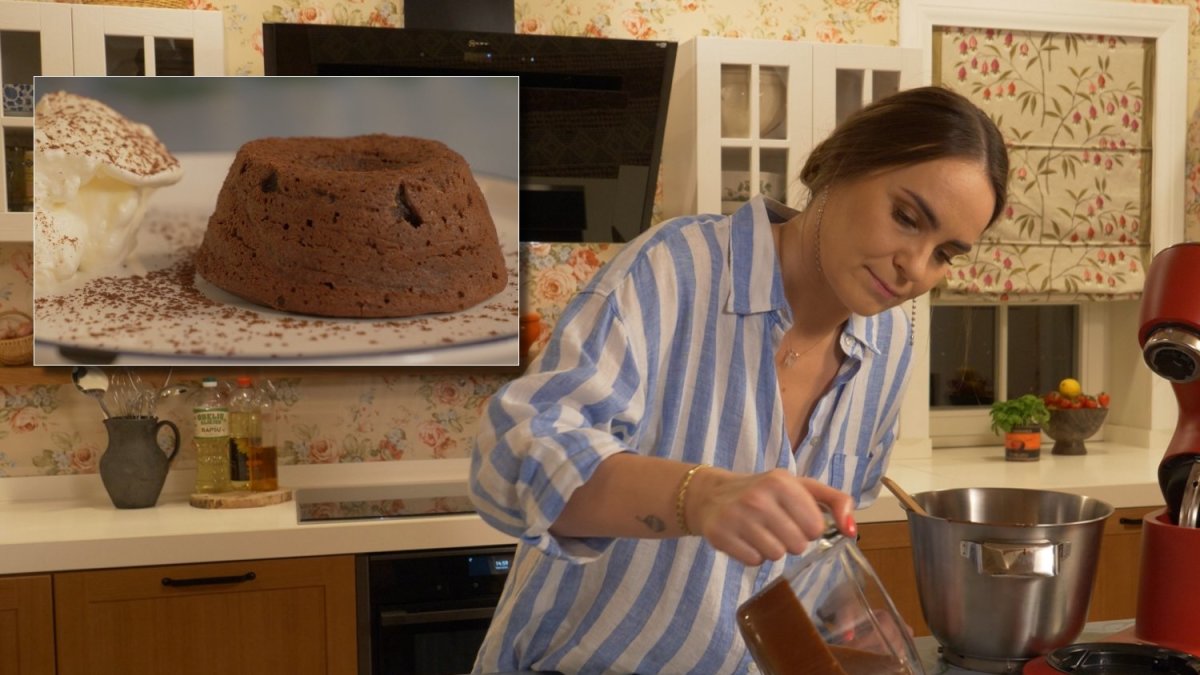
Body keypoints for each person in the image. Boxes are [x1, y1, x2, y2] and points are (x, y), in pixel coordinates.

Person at [470, 85, 1009, 674]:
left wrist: (849, 621)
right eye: (906, 217)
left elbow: (807, 550)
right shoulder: (676, 268)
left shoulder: (890, 344)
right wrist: (700, 497)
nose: (915, 267)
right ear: (838, 166)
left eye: (946, 254)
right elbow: (513, 457)